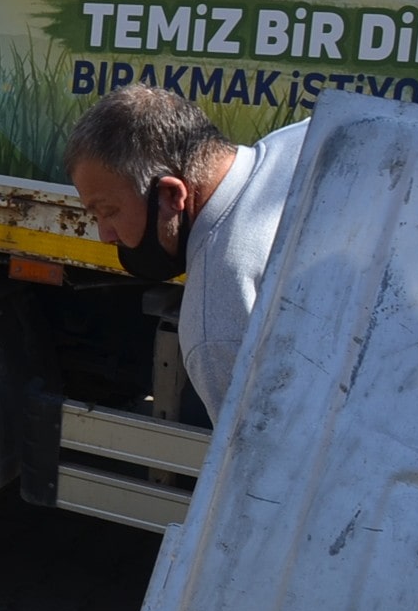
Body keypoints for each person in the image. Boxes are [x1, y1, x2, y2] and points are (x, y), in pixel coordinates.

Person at [62, 87, 308, 421]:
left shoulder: (216, 318)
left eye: (108, 211)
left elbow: (267, 451)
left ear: (170, 195)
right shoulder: (305, 138)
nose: (105, 235)